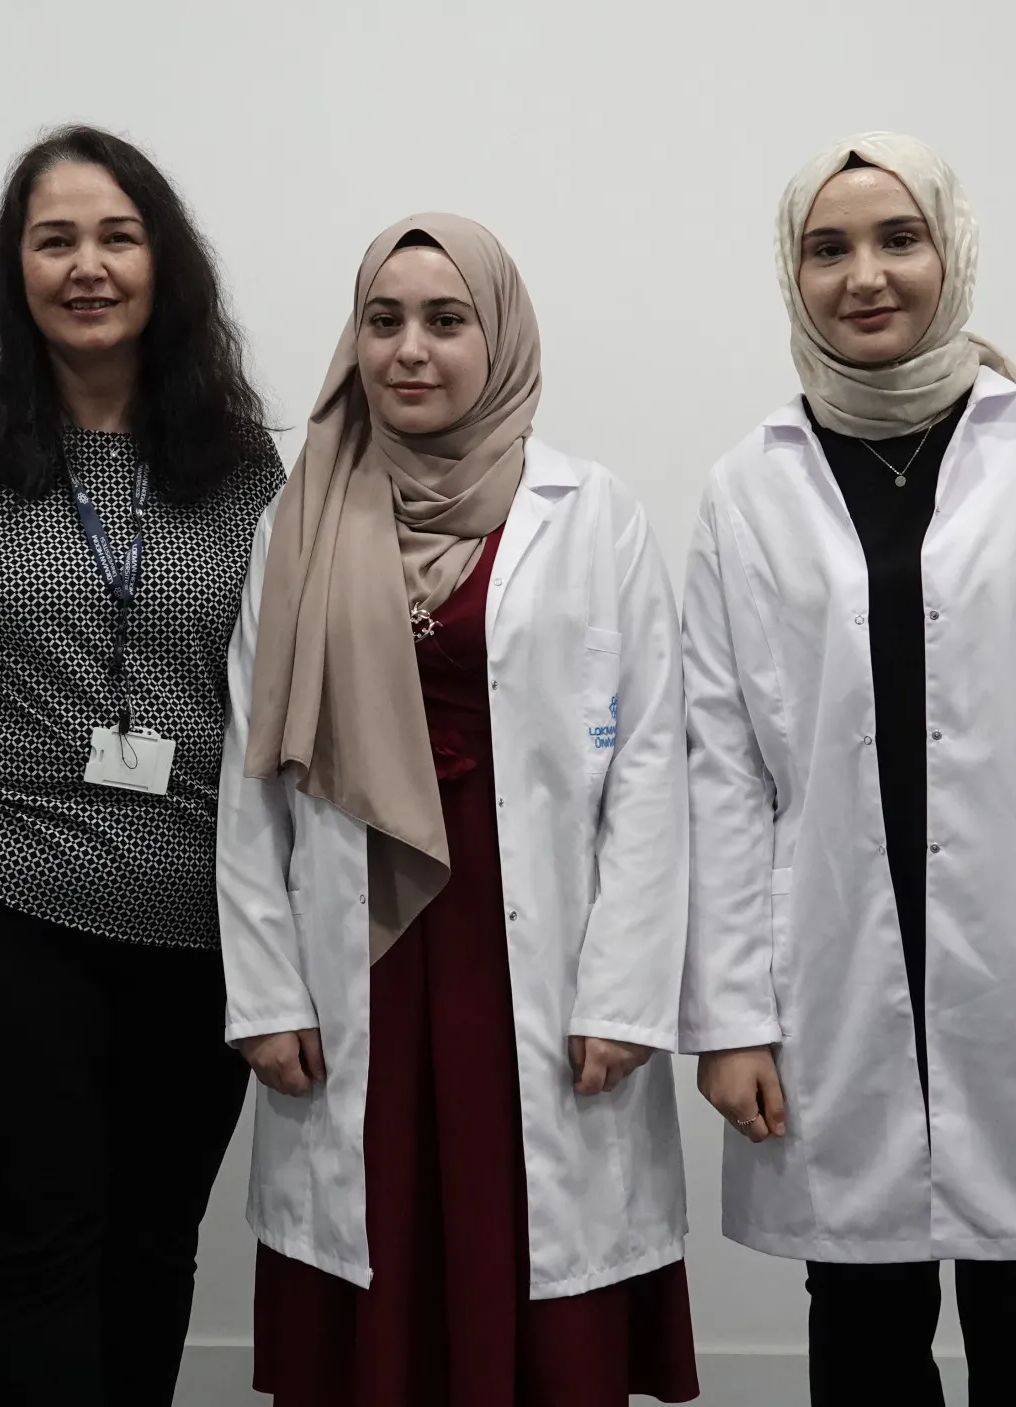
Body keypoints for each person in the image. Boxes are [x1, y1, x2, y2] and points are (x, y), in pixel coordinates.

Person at [681, 132, 1016, 1406]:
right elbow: (722, 769)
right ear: (792, 273)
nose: (864, 275)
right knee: (861, 1337)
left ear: (951, 253)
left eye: (897, 239)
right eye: (827, 249)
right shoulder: (745, 489)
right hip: (830, 973)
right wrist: (731, 1018)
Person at [219, 214, 700, 1407]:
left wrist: (626, 993)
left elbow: (650, 768)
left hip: (534, 952)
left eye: (445, 320)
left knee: (530, 1270)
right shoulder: (300, 520)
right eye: (381, 321)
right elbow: (252, 772)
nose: (409, 350)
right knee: (376, 1271)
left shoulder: (593, 513)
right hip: (361, 954)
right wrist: (266, 992)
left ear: (501, 336)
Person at [0, 125, 279, 1407]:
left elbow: (276, 698)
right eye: (54, 241)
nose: (86, 266)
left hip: (197, 927)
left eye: (116, 237)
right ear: (16, 272)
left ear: (165, 263)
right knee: (32, 1249)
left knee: (155, 1248)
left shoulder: (242, 462)